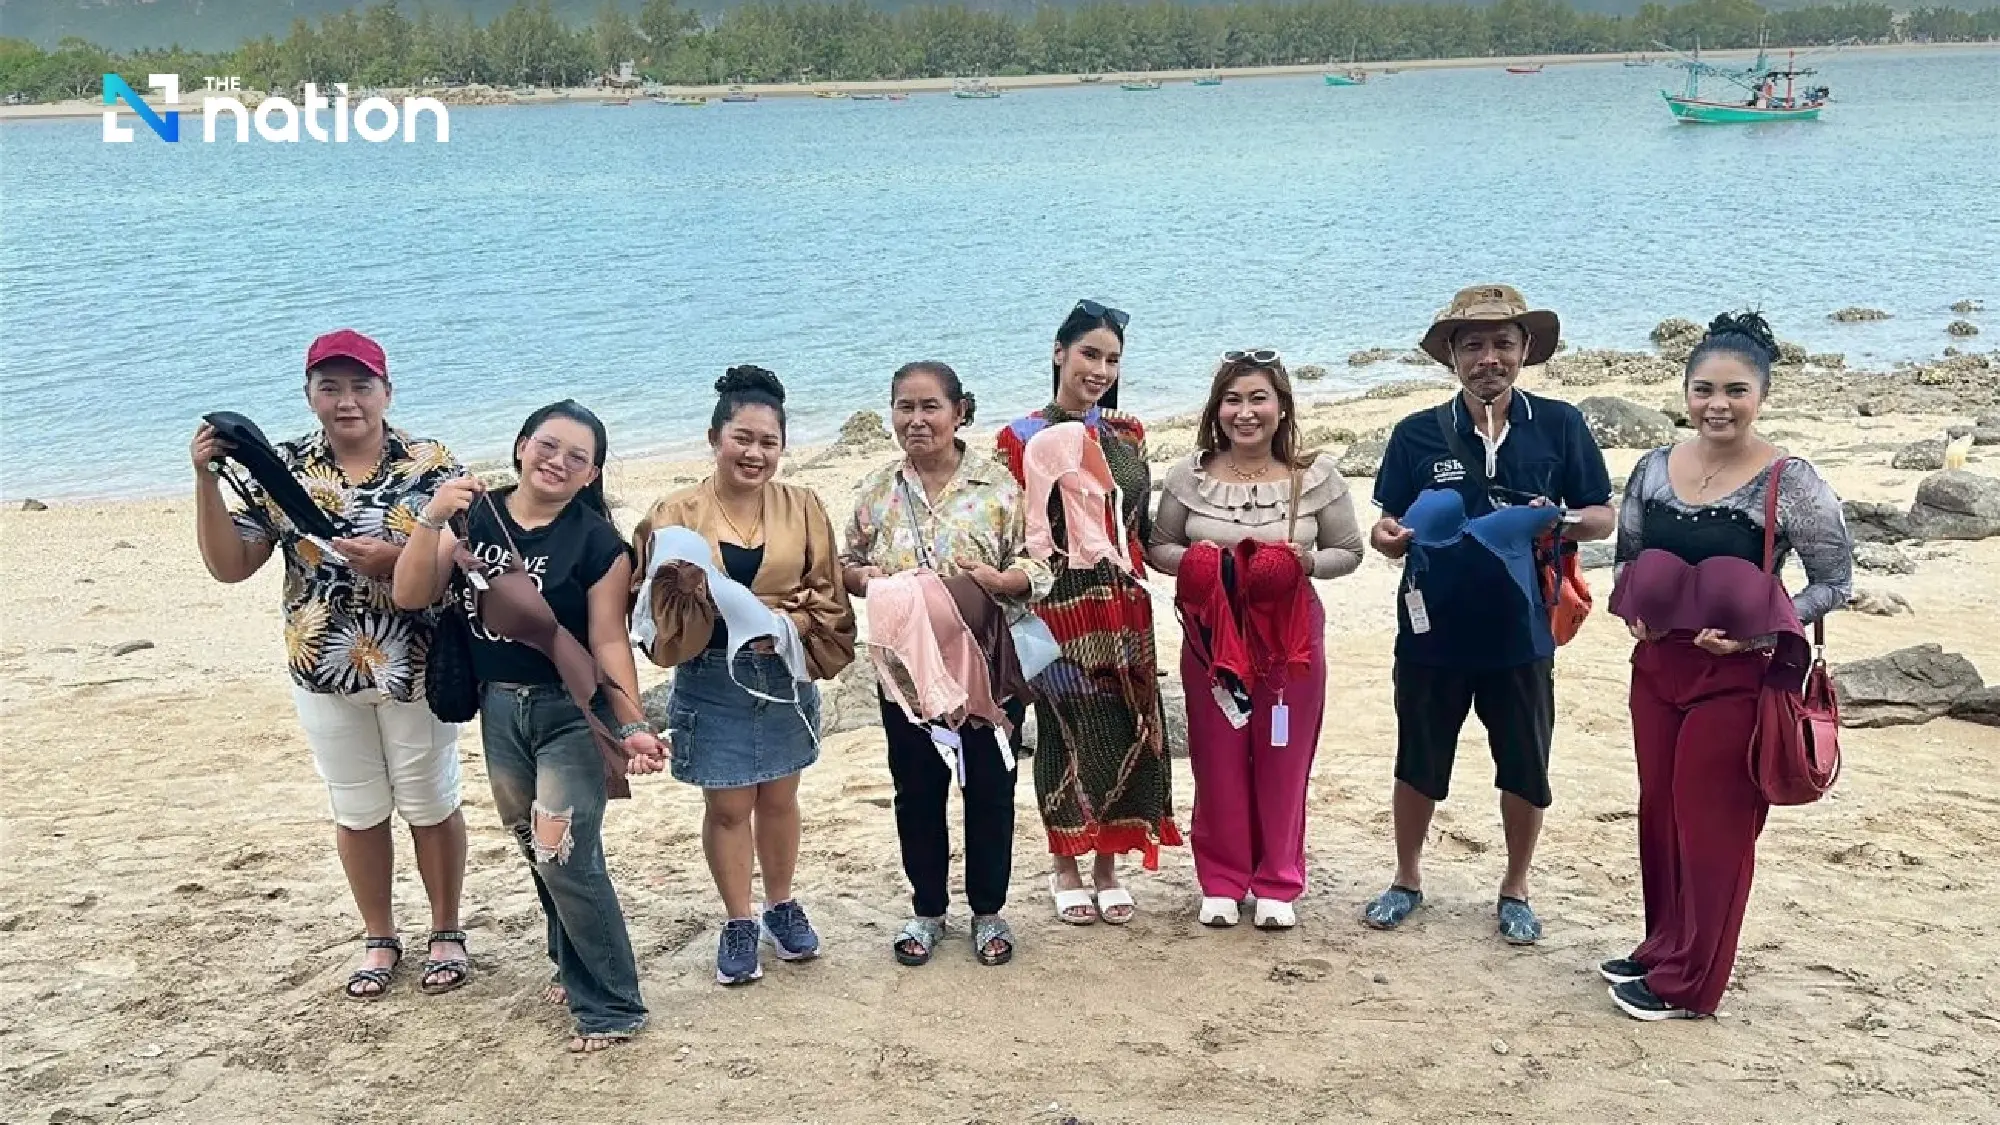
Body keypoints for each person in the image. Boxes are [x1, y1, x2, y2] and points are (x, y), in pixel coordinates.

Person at [190, 328, 470, 999]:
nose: (347, 401)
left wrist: (396, 559)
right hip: (322, 663)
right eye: (330, 387)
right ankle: (379, 934)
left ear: (386, 390)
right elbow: (232, 565)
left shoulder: (429, 463)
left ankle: (446, 929)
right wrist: (203, 479)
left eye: (360, 385)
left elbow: (461, 560)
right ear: (310, 394)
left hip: (414, 661)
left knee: (430, 800)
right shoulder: (279, 466)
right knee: (357, 807)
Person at [392, 400, 666, 1051]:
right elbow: (409, 593)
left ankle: (613, 1005)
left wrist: (630, 723)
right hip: (499, 710)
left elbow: (608, 641)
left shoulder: (598, 543)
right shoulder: (473, 514)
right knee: (531, 843)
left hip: (570, 714)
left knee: (562, 850)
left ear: (592, 472)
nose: (558, 461)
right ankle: (572, 966)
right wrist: (431, 517)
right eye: (548, 445)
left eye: (577, 456)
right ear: (521, 446)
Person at [1602, 313, 1852, 1020]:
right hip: (1657, 666)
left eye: (1735, 390)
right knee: (1661, 812)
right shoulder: (1654, 466)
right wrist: (1634, 609)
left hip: (1737, 675)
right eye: (1704, 388)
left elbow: (1834, 579)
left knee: (1712, 821)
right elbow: (1626, 559)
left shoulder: (1788, 479)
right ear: (1685, 391)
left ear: (1762, 395)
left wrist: (1755, 635)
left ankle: (1691, 982)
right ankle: (1664, 945)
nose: (1718, 403)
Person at [1361, 284, 1616, 945]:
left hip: (1524, 629)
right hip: (1430, 630)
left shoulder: (1561, 424)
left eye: (1503, 342)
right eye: (1472, 344)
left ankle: (1516, 886)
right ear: (1451, 355)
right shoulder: (1417, 432)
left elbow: (1602, 514)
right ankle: (1407, 877)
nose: (1489, 357)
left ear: (1525, 349)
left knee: (1525, 764)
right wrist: (1389, 539)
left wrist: (1553, 518)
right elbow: (1385, 525)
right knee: (1417, 760)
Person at [632, 367, 856, 985]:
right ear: (715, 437)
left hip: (782, 668)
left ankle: (781, 904)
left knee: (781, 798)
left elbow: (828, 593)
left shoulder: (804, 505)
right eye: (742, 438)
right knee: (729, 804)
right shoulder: (675, 511)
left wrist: (780, 620)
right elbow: (649, 610)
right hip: (710, 673)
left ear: (782, 447)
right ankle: (738, 919)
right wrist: (694, 595)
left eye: (768, 442)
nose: (754, 453)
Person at [842, 362, 1051, 966]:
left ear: (960, 411)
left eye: (930, 406)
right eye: (904, 407)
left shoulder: (1000, 488)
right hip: (906, 674)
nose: (916, 420)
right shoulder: (880, 490)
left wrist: (1002, 579)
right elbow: (846, 561)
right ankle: (927, 910)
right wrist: (866, 578)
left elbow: (1041, 565)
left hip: (984, 666)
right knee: (916, 788)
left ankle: (989, 912)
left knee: (991, 787)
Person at [1148, 349, 1363, 930]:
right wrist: (1198, 562)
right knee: (1217, 759)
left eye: (1258, 399)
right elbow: (1157, 545)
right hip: (1212, 641)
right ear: (1217, 409)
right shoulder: (1188, 477)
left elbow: (1352, 551)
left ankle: (1276, 881)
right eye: (1233, 399)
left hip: (1288, 645)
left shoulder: (1313, 478)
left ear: (1281, 406)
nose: (1246, 412)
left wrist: (1306, 562)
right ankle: (1221, 879)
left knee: (1282, 757)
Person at [997, 300, 1182, 925]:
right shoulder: (1017, 438)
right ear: (1059, 353)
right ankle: (1067, 865)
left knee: (1132, 727)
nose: (1099, 370)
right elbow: (1013, 532)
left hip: (1126, 606)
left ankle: (1108, 866)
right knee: (1065, 730)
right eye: (1089, 354)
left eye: (1111, 360)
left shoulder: (1127, 436)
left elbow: (1141, 526)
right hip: (1058, 604)